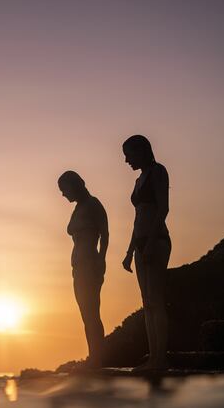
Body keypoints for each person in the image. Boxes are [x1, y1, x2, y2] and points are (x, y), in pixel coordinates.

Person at [121, 135, 171, 371]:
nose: (126, 160)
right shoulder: (138, 180)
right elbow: (137, 218)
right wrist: (130, 251)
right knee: (147, 302)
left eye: (129, 154)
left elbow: (163, 208)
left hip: (157, 240)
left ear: (141, 151)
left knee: (156, 301)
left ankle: (160, 358)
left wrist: (150, 242)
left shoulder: (158, 172)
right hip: (140, 243)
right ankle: (153, 356)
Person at [58, 171, 109, 369]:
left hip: (89, 264)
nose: (63, 195)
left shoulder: (93, 204)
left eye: (64, 190)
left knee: (92, 313)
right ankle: (93, 356)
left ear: (75, 185)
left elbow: (105, 233)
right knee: (86, 314)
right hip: (78, 266)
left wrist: (101, 260)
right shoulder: (78, 208)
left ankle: (97, 359)